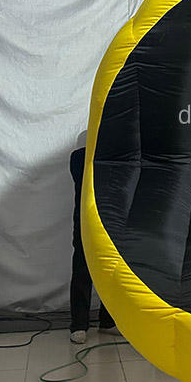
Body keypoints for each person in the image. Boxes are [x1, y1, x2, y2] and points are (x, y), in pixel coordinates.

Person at [69, 130, 116, 343]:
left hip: (109, 220)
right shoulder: (81, 156)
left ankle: (107, 321)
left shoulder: (113, 153)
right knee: (83, 270)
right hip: (86, 221)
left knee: (110, 272)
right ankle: (79, 324)